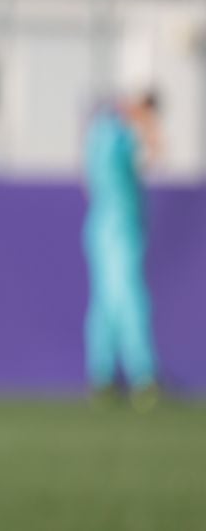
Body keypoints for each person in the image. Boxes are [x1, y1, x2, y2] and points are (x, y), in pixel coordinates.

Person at [83, 89, 162, 406]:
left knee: (106, 303)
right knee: (129, 301)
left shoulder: (101, 133)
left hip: (104, 227)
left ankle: (102, 376)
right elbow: (154, 153)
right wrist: (144, 123)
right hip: (117, 230)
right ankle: (143, 376)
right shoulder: (116, 136)